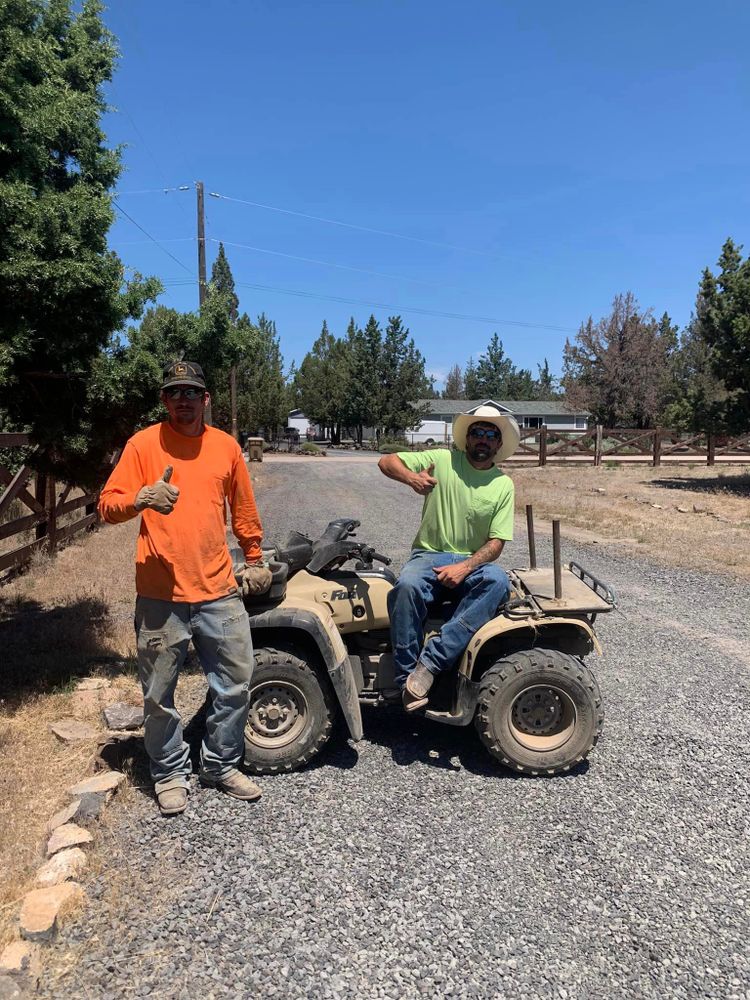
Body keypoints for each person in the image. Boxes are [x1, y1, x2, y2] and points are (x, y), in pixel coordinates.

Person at [98, 361, 272, 816]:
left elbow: (244, 509)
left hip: (218, 589)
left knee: (235, 684)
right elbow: (106, 505)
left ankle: (220, 765)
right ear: (165, 400)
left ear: (205, 399)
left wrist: (253, 557)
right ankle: (170, 774)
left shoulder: (226, 448)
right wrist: (141, 498)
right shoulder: (143, 444)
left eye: (191, 392)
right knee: (159, 695)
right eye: (174, 392)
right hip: (160, 595)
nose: (183, 400)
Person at [378, 404, 519, 711]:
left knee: (497, 581)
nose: (483, 439)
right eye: (477, 432)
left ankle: (429, 664)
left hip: (470, 562)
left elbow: (496, 543)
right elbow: (387, 461)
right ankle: (406, 683)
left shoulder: (502, 485)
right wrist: (411, 478)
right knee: (406, 587)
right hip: (428, 554)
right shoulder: (442, 460)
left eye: (490, 434)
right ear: (466, 439)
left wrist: (465, 566)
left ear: (498, 444)